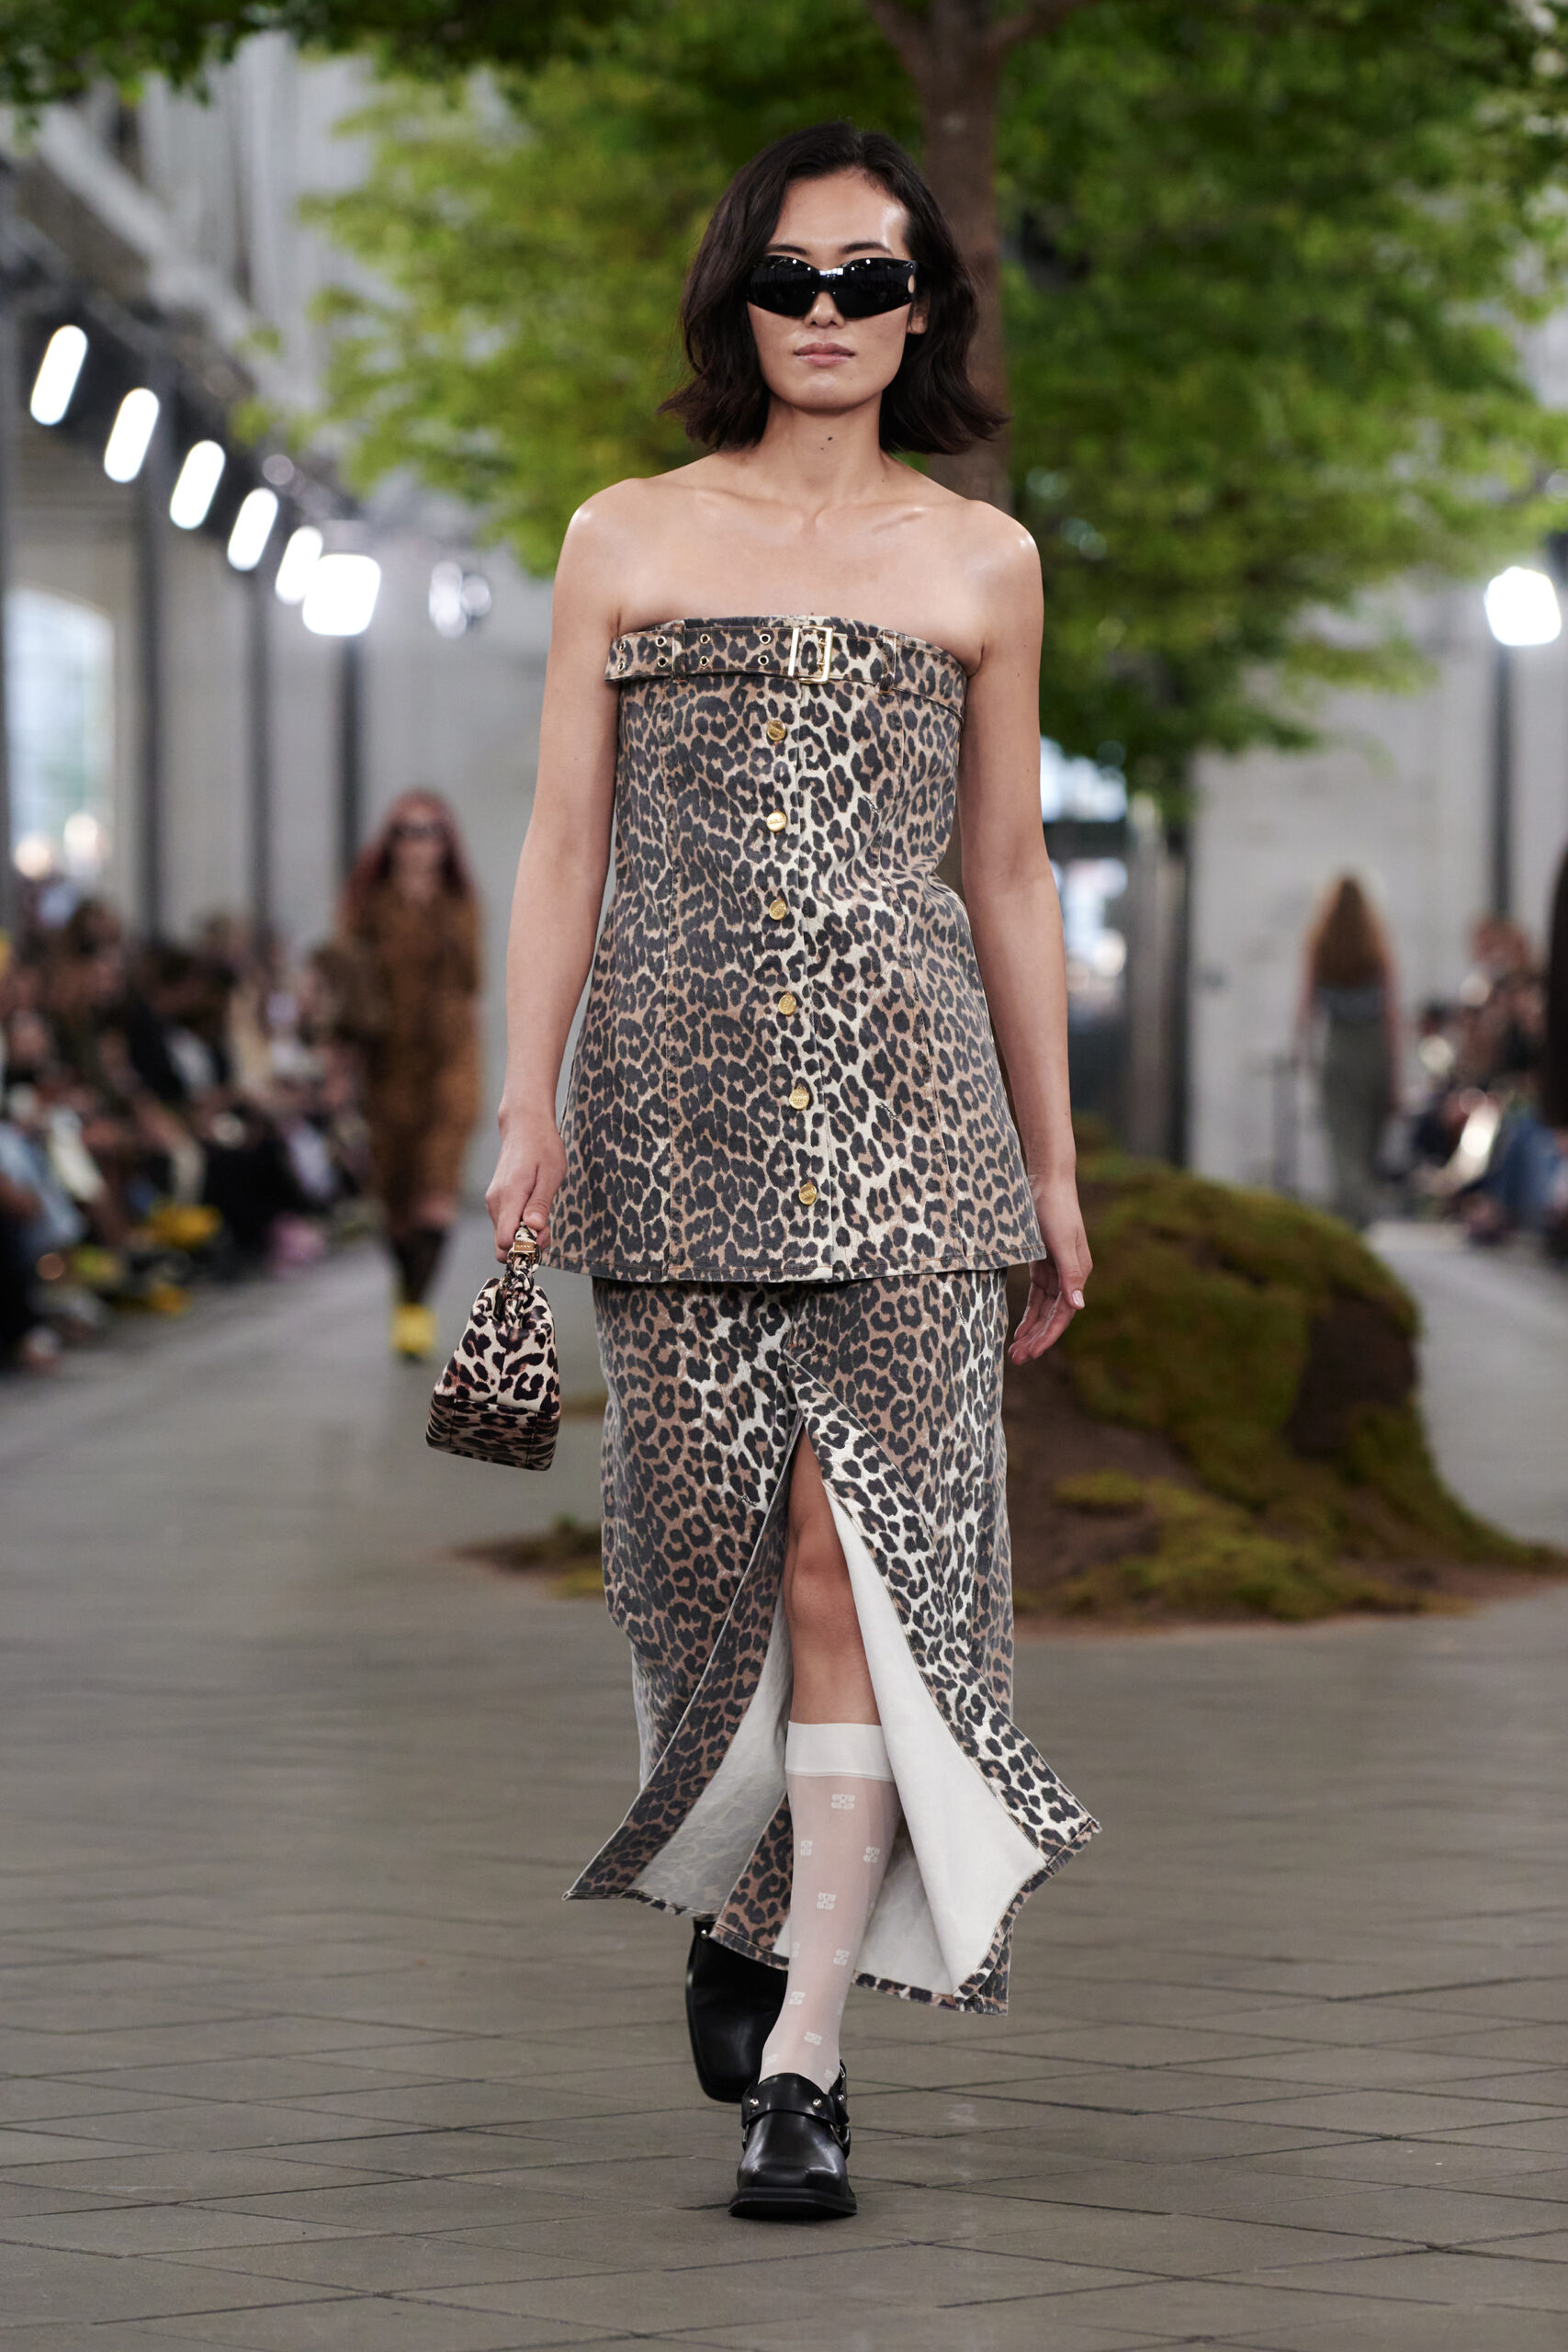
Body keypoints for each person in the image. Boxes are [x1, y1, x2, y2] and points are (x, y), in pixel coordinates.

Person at [484, 120, 1099, 2222]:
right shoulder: (624, 536)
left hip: (914, 1124)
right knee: (699, 1574)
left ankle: (805, 2062)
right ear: (735, 298)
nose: (824, 312)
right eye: (789, 277)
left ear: (922, 312)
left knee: (858, 1568)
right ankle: (749, 1887)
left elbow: (1006, 872)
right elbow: (560, 841)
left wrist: (1051, 1162)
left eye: (867, 279)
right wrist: (523, 1100)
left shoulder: (981, 560)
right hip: (667, 1110)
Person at [340, 792, 481, 1358]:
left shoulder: (460, 903)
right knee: (395, 1198)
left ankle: (417, 1310)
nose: (419, 843)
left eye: (430, 831)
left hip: (451, 1059)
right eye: (407, 830)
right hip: (387, 1062)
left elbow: (473, 981)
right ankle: (407, 1292)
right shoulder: (368, 906)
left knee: (437, 1186)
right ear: (390, 841)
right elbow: (347, 985)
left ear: (447, 843)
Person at [1296, 874, 1399, 1228]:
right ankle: (1358, 1205)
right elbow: (1390, 1014)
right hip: (1372, 1047)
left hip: (1339, 1046)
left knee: (1343, 1136)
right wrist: (1394, 1068)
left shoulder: (1321, 945)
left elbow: (1306, 1007)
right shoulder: (1376, 948)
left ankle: (1355, 1205)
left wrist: (1304, 1051)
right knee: (1368, 1135)